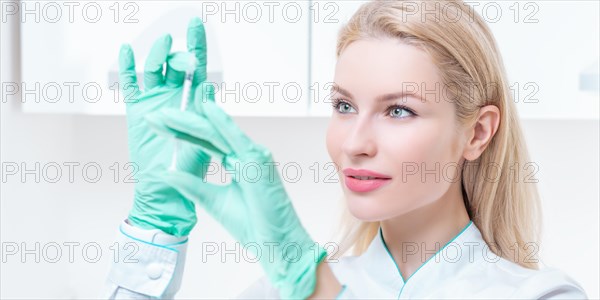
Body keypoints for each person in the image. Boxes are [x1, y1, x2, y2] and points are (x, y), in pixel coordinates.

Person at [104, 1, 589, 299]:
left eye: (398, 110)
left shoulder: (541, 295)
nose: (355, 144)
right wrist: (156, 230)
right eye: (343, 105)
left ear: (477, 133)